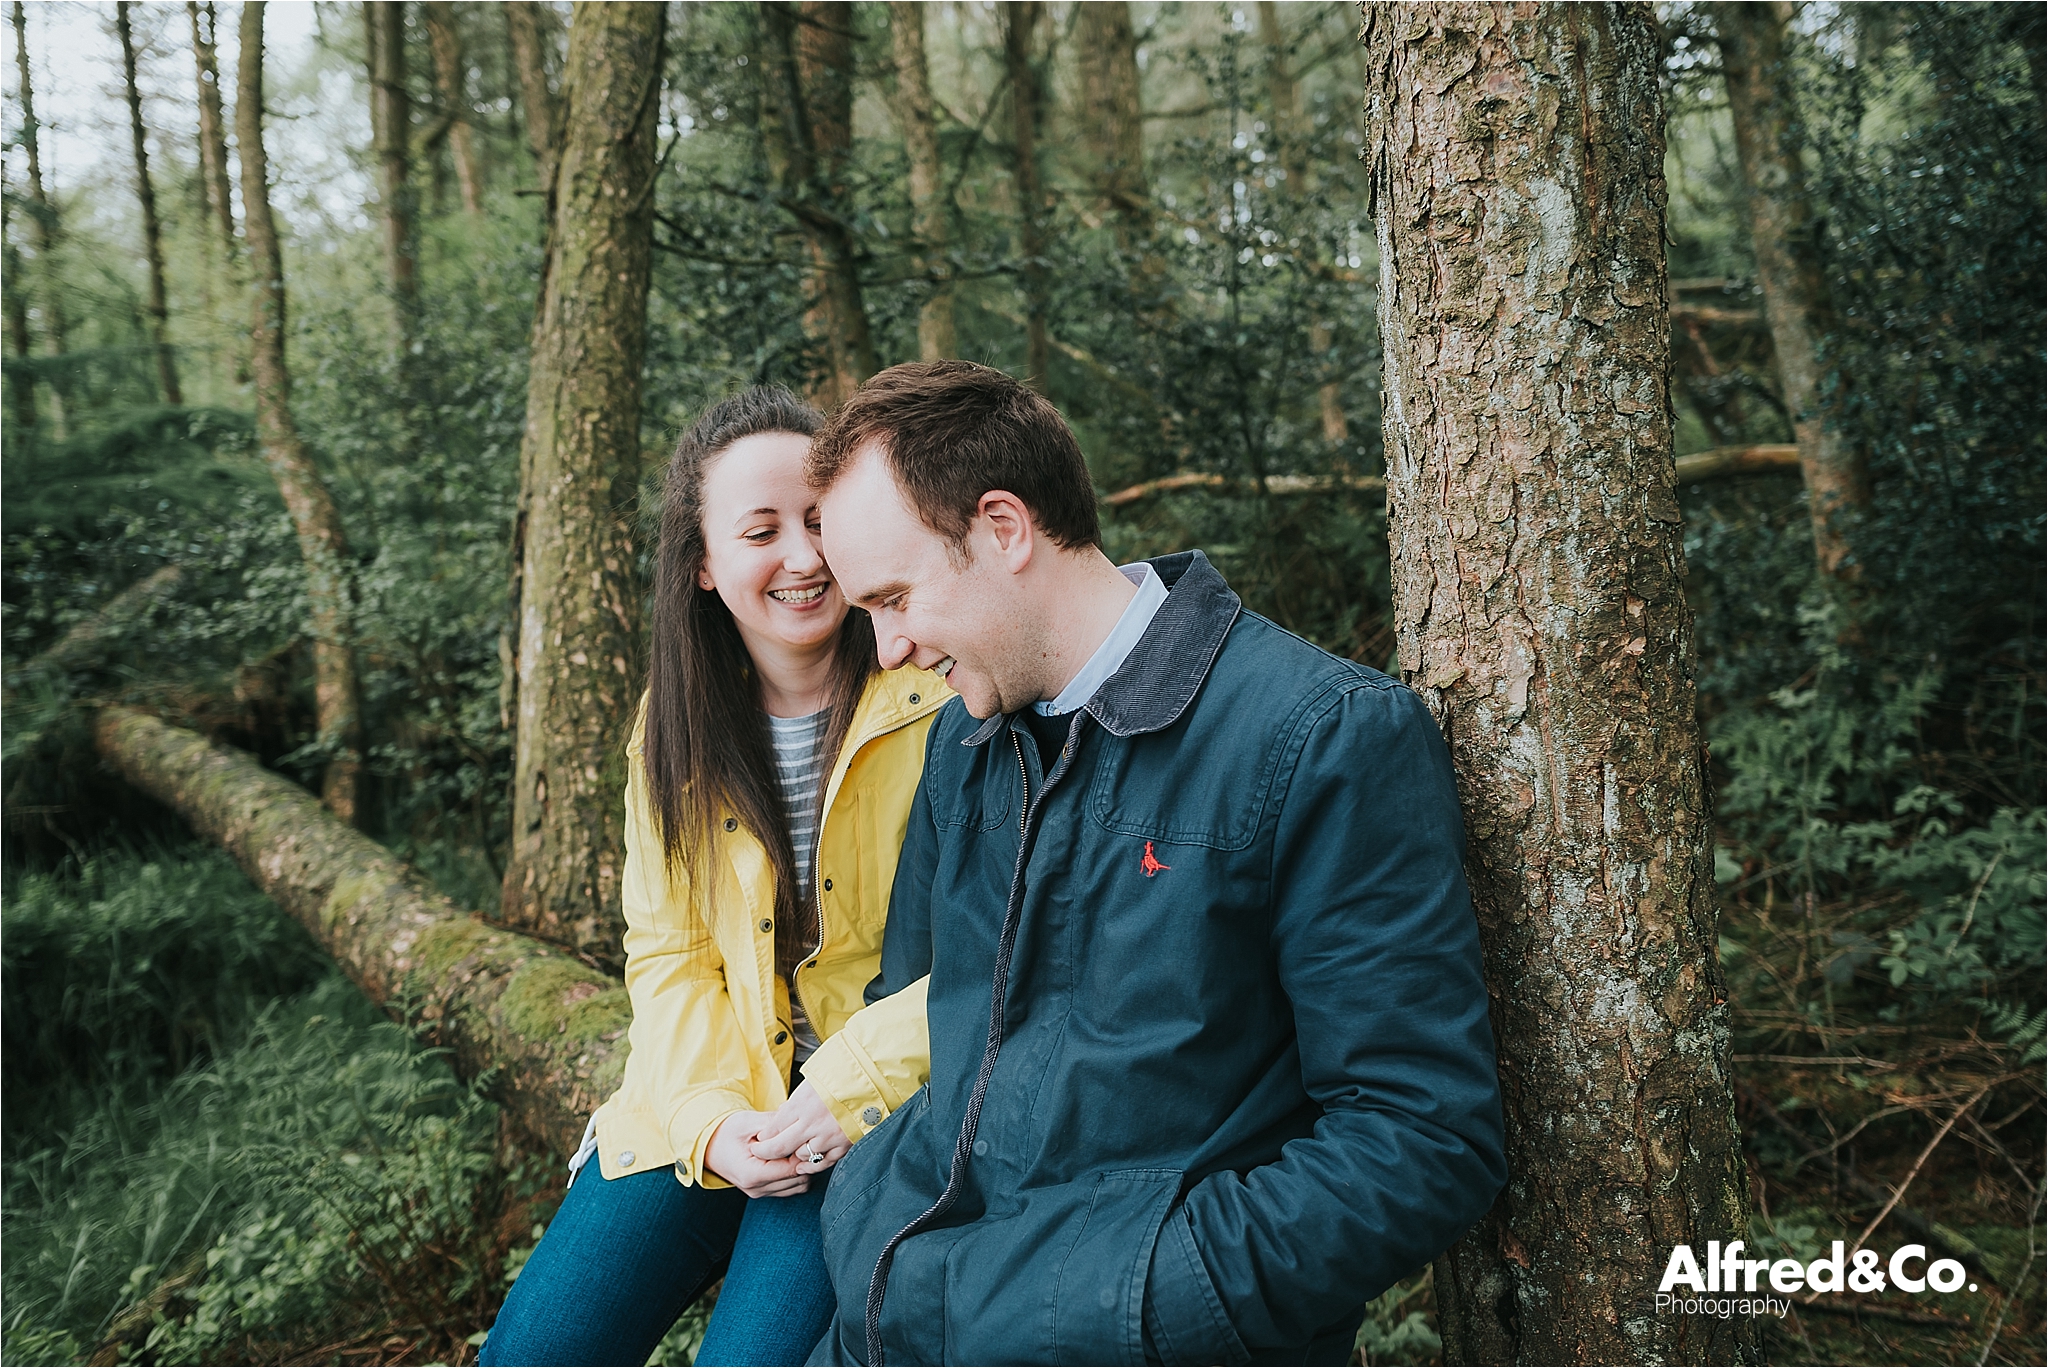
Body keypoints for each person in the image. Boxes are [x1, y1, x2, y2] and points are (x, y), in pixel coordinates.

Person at [803, 361, 1506, 1366]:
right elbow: (923, 1021)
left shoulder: (1318, 739)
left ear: (1003, 529)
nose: (887, 648)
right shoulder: (960, 752)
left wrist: (1138, 1307)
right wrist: (873, 1215)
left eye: (895, 597)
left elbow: (1420, 1138)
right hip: (894, 1319)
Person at [481, 387, 948, 1367]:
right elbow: (669, 954)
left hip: (869, 1112)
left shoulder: (938, 688)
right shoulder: (673, 724)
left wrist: (845, 1093)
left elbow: (990, 946)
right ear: (703, 563)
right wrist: (707, 1124)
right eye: (761, 530)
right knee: (531, 1352)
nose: (806, 556)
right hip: (710, 1093)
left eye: (819, 520)